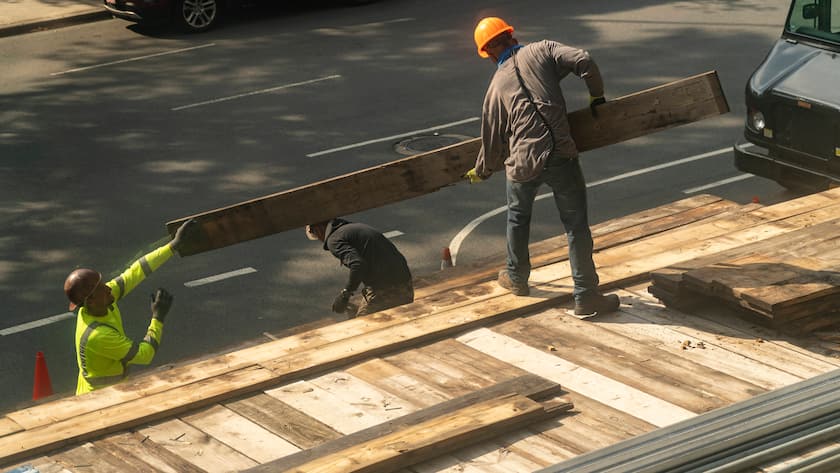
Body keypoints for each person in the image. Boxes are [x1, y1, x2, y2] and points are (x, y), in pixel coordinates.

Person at [464, 16, 619, 316]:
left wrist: (480, 171)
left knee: (517, 220)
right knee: (575, 227)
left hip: (522, 163)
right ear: (512, 34)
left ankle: (517, 279)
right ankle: (586, 297)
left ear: (490, 54)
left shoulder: (495, 88)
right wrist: (597, 97)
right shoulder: (543, 50)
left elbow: (492, 139)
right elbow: (584, 60)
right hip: (561, 154)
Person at [64, 219, 199, 394]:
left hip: (111, 390)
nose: (108, 287)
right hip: (100, 398)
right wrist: (157, 318)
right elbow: (145, 354)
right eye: (101, 288)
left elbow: (136, 272)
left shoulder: (101, 301)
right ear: (90, 301)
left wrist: (172, 246)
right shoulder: (98, 336)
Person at [306, 218, 413, 318]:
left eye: (315, 234)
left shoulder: (334, 240)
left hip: (387, 289)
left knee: (363, 324)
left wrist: (345, 295)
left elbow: (358, 264)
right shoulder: (352, 228)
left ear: (318, 228)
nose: (319, 239)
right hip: (405, 283)